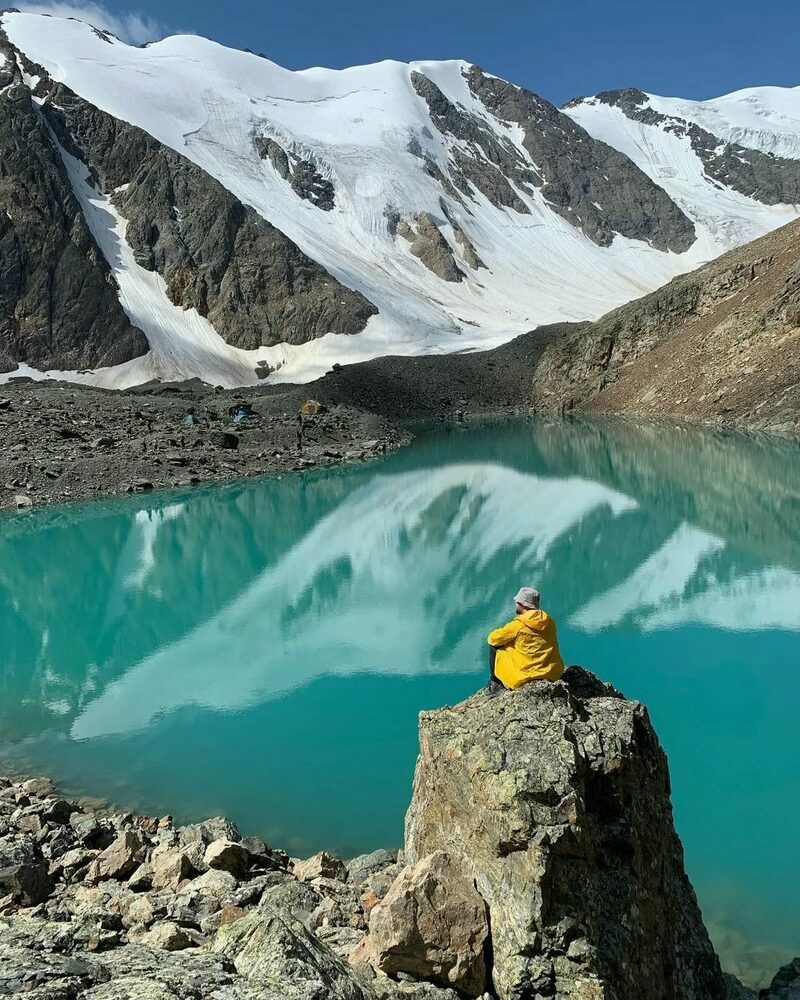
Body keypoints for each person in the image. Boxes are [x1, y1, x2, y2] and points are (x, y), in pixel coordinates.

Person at [484, 587, 564, 697]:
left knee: (497, 647)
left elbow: (492, 639)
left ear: (524, 605)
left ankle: (495, 684)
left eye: (517, 602)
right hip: (553, 672)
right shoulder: (549, 621)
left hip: (526, 676)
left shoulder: (518, 625)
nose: (515, 604)